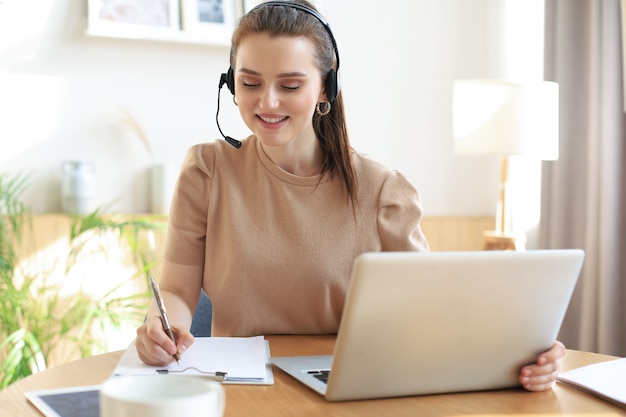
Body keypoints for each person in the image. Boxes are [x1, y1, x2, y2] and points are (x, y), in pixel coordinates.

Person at [135, 0, 565, 392]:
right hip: (238, 388)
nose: (266, 101)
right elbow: (176, 289)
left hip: (346, 388)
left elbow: (434, 315)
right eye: (250, 82)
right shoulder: (207, 170)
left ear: (325, 88)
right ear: (231, 83)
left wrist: (524, 350)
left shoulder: (383, 192)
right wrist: (163, 325)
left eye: (290, 85)